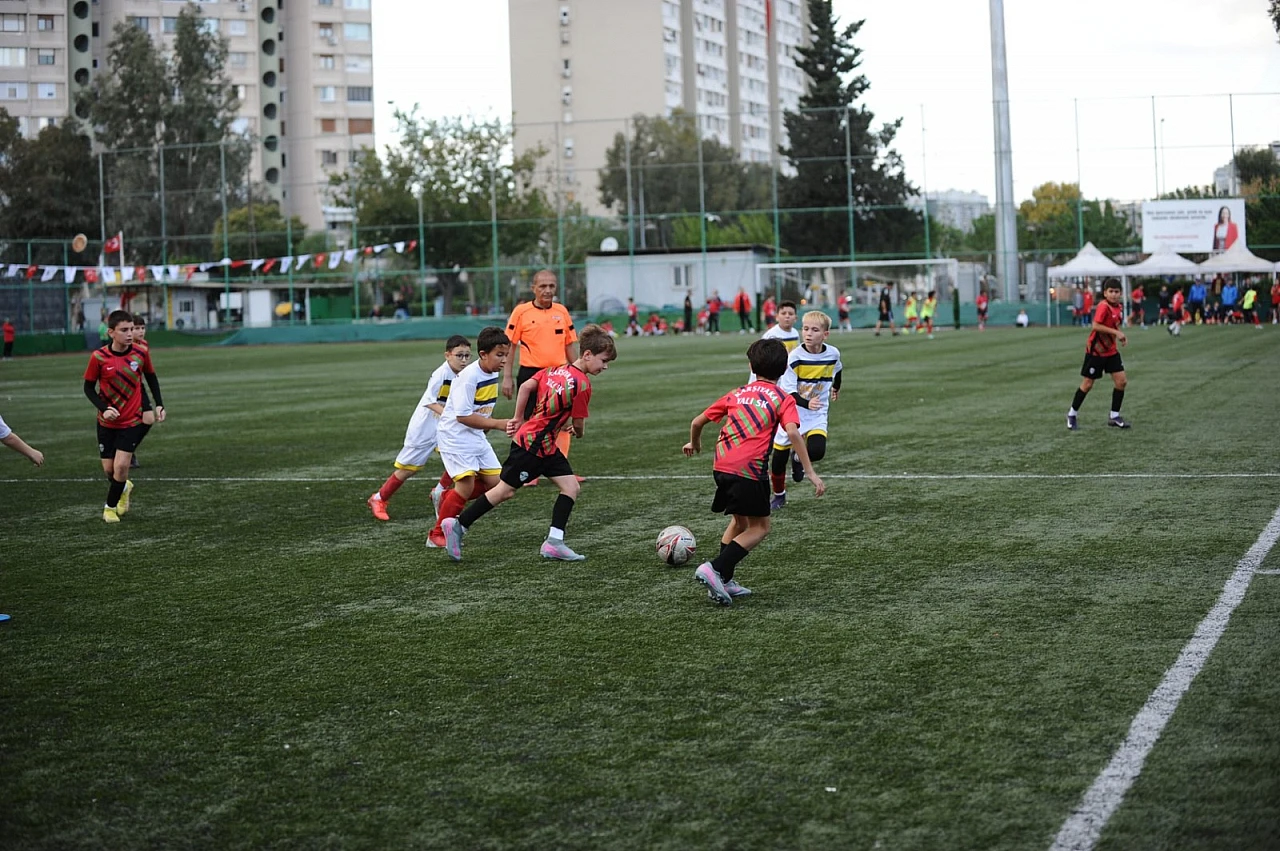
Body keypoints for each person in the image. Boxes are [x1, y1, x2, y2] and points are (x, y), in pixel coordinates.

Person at [441, 325, 618, 563]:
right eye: (604, 360)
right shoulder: (582, 384)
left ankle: (554, 542)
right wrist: (576, 431)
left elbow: (526, 386)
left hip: (544, 444)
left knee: (571, 487)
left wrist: (517, 418)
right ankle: (458, 525)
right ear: (587, 355)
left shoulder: (555, 370)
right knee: (504, 491)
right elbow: (579, 425)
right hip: (532, 446)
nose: (605, 366)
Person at [682, 338, 825, 606]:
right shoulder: (783, 398)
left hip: (721, 467)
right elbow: (793, 432)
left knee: (739, 523)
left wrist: (695, 443)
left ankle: (723, 579)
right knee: (760, 528)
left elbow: (697, 422)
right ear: (784, 371)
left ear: (751, 365)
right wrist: (810, 472)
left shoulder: (735, 393)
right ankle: (714, 568)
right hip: (749, 471)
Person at [368, 335, 471, 523]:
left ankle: (439, 491)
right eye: (459, 355)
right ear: (447, 355)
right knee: (408, 468)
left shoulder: (467, 374)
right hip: (426, 425)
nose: (463, 360)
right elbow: (430, 401)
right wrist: (450, 415)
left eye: (467, 356)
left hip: (446, 424)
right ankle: (379, 498)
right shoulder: (441, 374)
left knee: (461, 454)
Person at [427, 327, 511, 547]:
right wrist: (497, 424)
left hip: (474, 435)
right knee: (465, 486)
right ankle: (437, 535)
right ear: (483, 354)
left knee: (501, 487)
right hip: (455, 435)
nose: (504, 361)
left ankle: (448, 498)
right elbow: (463, 416)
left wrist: (487, 426)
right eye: (499, 355)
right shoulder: (468, 377)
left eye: (506, 355)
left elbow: (482, 406)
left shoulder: (492, 371)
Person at [84, 310, 165, 522]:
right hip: (106, 422)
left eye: (132, 329)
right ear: (111, 332)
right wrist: (104, 408)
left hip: (131, 420)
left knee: (121, 466)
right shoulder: (99, 357)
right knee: (110, 470)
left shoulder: (141, 353)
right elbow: (88, 389)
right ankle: (124, 487)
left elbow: (151, 378)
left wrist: (159, 405)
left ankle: (109, 508)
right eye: (124, 330)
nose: (130, 334)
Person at [502, 270, 579, 487]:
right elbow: (510, 346)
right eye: (543, 286)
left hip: (560, 375)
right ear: (533, 288)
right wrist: (507, 377)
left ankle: (563, 469)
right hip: (532, 375)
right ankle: (529, 471)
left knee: (562, 423)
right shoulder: (521, 312)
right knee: (530, 423)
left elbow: (569, 346)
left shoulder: (561, 311)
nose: (547, 290)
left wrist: (578, 375)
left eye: (551, 286)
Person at [768, 311, 842, 510]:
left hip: (817, 413)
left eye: (814, 330)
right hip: (792, 411)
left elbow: (838, 369)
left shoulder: (833, 353)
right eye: (805, 329)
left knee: (817, 451)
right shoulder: (794, 358)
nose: (808, 333)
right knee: (777, 463)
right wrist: (806, 403)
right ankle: (779, 495)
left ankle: (799, 458)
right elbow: (789, 392)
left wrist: (836, 387)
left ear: (825, 335)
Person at [1066, 278, 1130, 431]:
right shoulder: (1103, 306)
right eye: (1111, 292)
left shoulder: (1118, 307)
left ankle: (1114, 416)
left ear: (1120, 293)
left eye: (1116, 292)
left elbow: (1113, 324)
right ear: (1105, 293)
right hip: (1096, 352)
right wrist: (1117, 332)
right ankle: (1072, 414)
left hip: (1111, 351)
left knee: (1121, 381)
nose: (1114, 295)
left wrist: (1118, 336)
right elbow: (1095, 325)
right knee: (1087, 384)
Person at [128, 313, 159, 469]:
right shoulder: (124, 346)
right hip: (124, 389)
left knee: (148, 419)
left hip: (138, 386)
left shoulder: (144, 345)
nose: (140, 331)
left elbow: (148, 371)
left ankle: (128, 450)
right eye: (136, 328)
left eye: (142, 328)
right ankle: (124, 452)